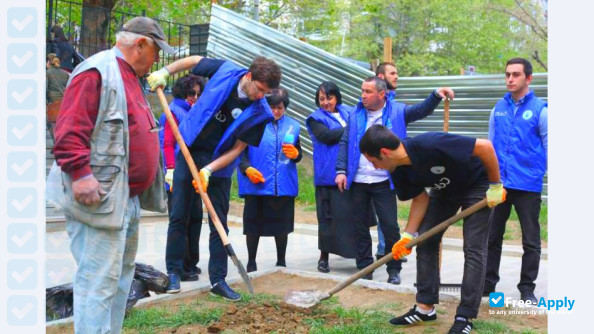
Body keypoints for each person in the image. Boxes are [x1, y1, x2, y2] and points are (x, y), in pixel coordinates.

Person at [52, 17, 174, 333]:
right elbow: (68, 130)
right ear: (141, 44)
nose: (158, 59)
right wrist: (80, 174)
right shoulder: (97, 72)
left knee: (119, 278)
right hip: (98, 198)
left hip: (125, 197)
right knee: (98, 280)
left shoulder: (131, 76)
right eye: (157, 51)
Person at [147, 55, 281, 301]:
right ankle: (174, 272)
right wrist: (166, 70)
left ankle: (218, 280)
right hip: (189, 149)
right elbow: (195, 60)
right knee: (179, 214)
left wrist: (209, 170)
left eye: (267, 92)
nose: (261, 95)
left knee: (219, 221)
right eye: (260, 89)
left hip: (219, 165)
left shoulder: (261, 113)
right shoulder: (227, 70)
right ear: (249, 77)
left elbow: (238, 149)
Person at [359, 124, 506, 334]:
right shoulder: (398, 170)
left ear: (384, 153)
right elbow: (420, 199)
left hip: (478, 184)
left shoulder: (429, 143)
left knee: (474, 247)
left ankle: (465, 315)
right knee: (426, 240)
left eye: (373, 162)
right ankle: (425, 308)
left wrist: (495, 185)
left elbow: (485, 147)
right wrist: (408, 236)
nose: (374, 168)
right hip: (445, 190)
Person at [335, 77, 454, 284]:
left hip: (385, 180)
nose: (363, 95)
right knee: (360, 225)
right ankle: (364, 267)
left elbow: (421, 110)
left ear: (382, 94)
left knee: (389, 226)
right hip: (358, 179)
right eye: (362, 90)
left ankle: (394, 268)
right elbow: (345, 142)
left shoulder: (398, 112)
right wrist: (341, 170)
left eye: (368, 91)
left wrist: (436, 94)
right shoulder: (354, 116)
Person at [484, 58, 547, 304]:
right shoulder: (498, 107)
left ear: (528, 78)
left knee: (531, 241)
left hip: (528, 185)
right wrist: (489, 180)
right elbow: (489, 145)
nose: (510, 79)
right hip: (499, 184)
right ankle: (488, 285)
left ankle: (527, 289)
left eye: (516, 75)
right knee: (491, 238)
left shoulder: (541, 109)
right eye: (507, 74)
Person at [237, 88, 302, 272]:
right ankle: (251, 262)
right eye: (272, 107)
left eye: (280, 107)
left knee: (281, 226)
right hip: (257, 185)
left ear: (285, 107)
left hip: (282, 186)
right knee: (253, 226)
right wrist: (247, 168)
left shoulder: (293, 126)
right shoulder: (253, 124)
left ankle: (281, 261)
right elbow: (240, 154)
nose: (275, 111)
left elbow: (297, 153)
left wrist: (296, 154)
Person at [306, 81, 360, 273]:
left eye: (329, 98)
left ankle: (358, 257)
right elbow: (327, 136)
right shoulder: (315, 118)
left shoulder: (347, 112)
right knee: (327, 219)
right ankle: (323, 259)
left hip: (349, 174)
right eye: (321, 99)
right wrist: (354, 128)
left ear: (337, 97)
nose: (325, 102)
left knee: (352, 218)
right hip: (327, 176)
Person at [158, 74, 205, 284]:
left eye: (198, 93)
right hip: (177, 172)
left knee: (195, 217)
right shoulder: (172, 111)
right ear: (182, 92)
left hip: (196, 172)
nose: (194, 97)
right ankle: (176, 268)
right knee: (179, 219)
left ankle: (190, 263)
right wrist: (170, 169)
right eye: (191, 93)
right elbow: (167, 143)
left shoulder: (197, 112)